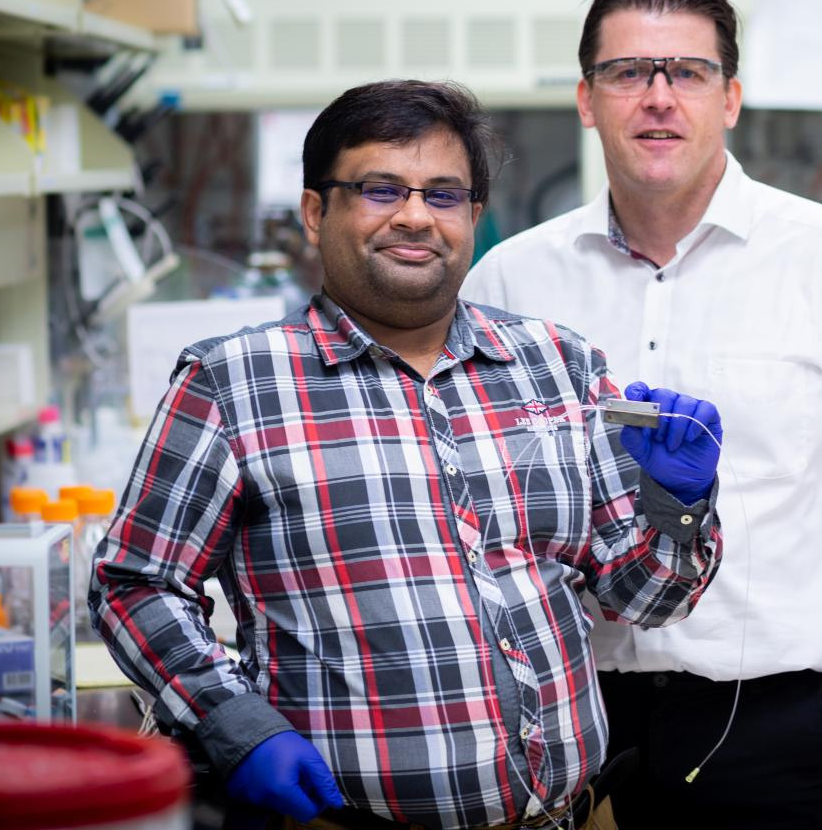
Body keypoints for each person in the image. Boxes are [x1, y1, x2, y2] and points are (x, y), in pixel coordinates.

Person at [90, 80, 726, 830]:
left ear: (473, 218)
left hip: (574, 816)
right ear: (316, 212)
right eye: (380, 189)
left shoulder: (558, 364)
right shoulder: (233, 383)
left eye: (444, 194)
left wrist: (679, 506)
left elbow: (642, 598)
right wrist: (233, 722)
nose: (416, 216)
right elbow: (135, 583)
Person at [462, 0, 822, 829]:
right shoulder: (513, 278)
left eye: (686, 72)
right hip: (563, 724)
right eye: (628, 73)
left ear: (730, 98)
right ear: (586, 98)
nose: (658, 97)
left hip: (776, 724)